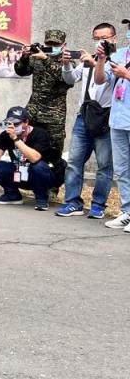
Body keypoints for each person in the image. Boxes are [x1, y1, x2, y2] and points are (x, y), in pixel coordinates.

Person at [56, 23, 116, 218]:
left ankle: (98, 205)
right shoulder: (87, 60)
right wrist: (66, 63)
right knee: (74, 161)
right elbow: (70, 79)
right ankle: (72, 202)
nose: (101, 41)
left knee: (105, 165)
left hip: (106, 117)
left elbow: (106, 80)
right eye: (97, 38)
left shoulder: (118, 61)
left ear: (114, 39)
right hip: (84, 116)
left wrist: (97, 61)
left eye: (105, 38)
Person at [14, 29, 78, 153]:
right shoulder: (37, 58)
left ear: (64, 45)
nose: (52, 47)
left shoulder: (68, 62)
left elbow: (64, 78)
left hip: (53, 115)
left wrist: (45, 59)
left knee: (53, 151)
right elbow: (21, 71)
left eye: (56, 44)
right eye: (49, 44)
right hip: (33, 112)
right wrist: (24, 58)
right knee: (28, 149)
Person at [0, 106, 60, 210]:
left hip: (42, 177)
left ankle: (42, 199)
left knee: (38, 166)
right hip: (20, 174)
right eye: (10, 123)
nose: (13, 127)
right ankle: (12, 195)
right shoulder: (5, 135)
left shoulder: (40, 134)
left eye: (16, 124)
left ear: (26, 122)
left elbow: (35, 158)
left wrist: (15, 139)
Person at [95, 24, 130, 233]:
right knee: (123, 169)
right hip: (118, 120)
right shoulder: (120, 53)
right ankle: (127, 211)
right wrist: (101, 60)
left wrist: (126, 74)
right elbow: (100, 79)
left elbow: (123, 76)